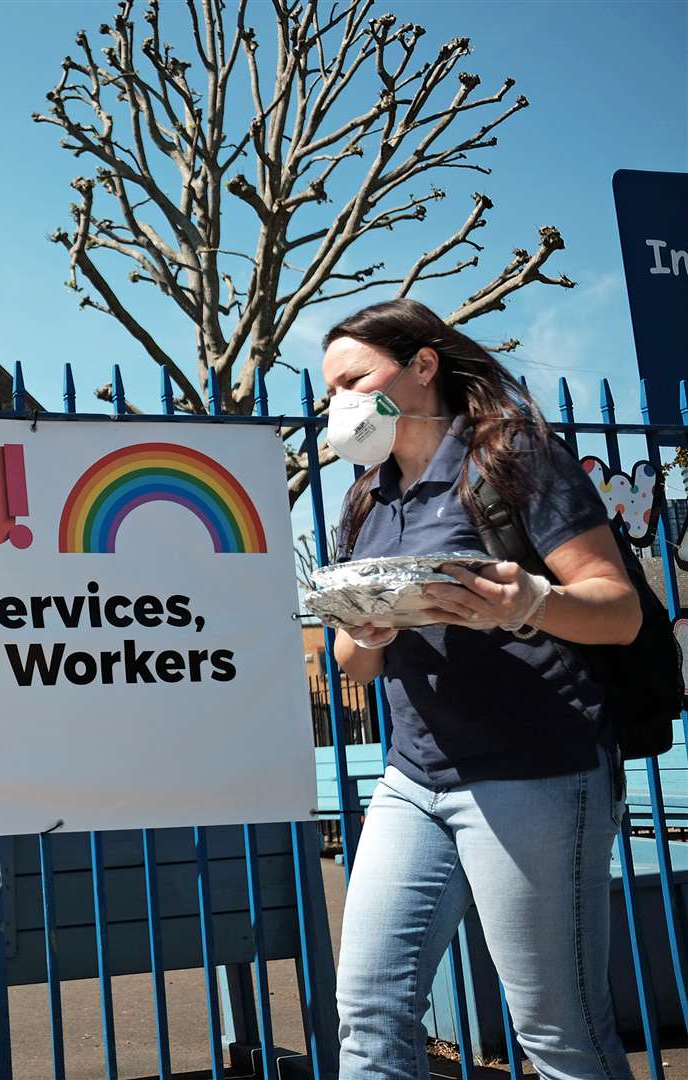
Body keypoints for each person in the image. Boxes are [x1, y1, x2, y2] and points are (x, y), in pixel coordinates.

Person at [320, 298, 641, 1079]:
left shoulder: (512, 458)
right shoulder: (364, 499)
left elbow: (620, 609)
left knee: (557, 1032)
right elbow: (350, 664)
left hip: (536, 771)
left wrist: (530, 602)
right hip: (413, 781)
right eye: (329, 392)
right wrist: (366, 632)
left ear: (422, 366)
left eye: (355, 380)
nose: (340, 405)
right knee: (368, 1014)